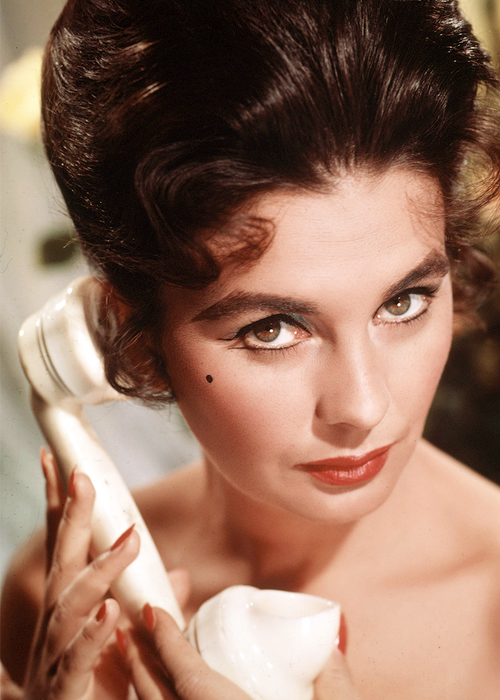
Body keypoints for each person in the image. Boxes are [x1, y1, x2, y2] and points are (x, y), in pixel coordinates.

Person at [1, 0, 500, 698]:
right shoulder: (61, 607)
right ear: (132, 338)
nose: (363, 407)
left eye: (403, 302)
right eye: (272, 329)